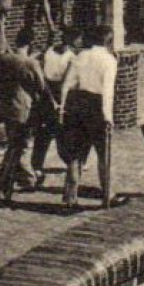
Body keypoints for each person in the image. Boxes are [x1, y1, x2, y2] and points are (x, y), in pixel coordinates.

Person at [58, 26, 119, 210]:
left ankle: (70, 197)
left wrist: (62, 110)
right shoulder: (109, 60)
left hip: (77, 105)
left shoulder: (79, 57)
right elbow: (107, 91)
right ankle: (107, 195)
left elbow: (65, 86)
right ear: (108, 41)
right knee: (103, 154)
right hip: (97, 106)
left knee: (75, 154)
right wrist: (108, 117)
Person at [0, 30, 48, 205]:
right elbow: (41, 86)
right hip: (24, 110)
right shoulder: (30, 63)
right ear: (30, 44)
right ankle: (2, 188)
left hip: (7, 108)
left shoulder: (3, 59)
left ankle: (29, 179)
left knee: (18, 145)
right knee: (16, 148)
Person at [31, 33, 75, 189]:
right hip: (52, 94)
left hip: (53, 94)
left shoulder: (63, 54)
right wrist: (57, 102)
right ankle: (39, 164)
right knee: (51, 132)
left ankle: (67, 161)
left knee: (54, 132)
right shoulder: (57, 54)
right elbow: (45, 78)